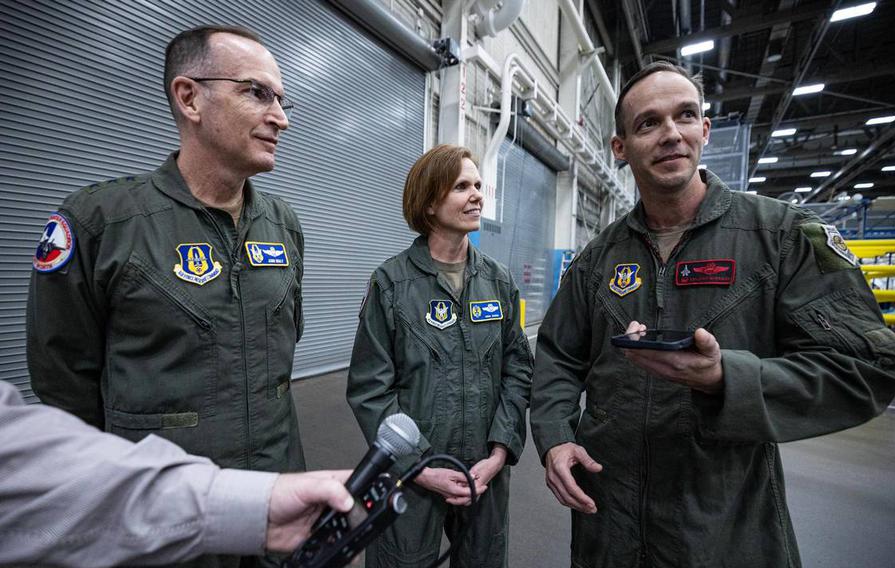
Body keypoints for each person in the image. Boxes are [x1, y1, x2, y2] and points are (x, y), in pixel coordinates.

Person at [529, 61, 895, 568]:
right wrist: (555, 439)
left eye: (685, 116)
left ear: (704, 130)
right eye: (648, 123)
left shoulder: (781, 237)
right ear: (619, 149)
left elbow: (866, 366)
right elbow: (556, 357)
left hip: (723, 530)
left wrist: (727, 377)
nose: (671, 135)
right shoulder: (597, 261)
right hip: (608, 524)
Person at [26, 25, 305, 567]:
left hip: (276, 500)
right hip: (164, 521)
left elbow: (281, 356)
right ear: (189, 97)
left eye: (282, 99)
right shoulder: (102, 222)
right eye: (257, 93)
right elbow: (64, 384)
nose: (281, 117)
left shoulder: (283, 225)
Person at [346, 144, 533, 567]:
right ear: (429, 202)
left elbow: (518, 368)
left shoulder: (498, 282)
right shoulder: (391, 284)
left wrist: (499, 453)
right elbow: (369, 388)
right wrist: (419, 467)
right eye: (461, 186)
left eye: (478, 185)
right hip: (413, 478)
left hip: (484, 475)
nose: (477, 195)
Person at [0, 379, 352, 567]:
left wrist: (255, 501)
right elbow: (66, 379)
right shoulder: (102, 239)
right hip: (154, 516)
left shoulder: (287, 238)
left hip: (272, 470)